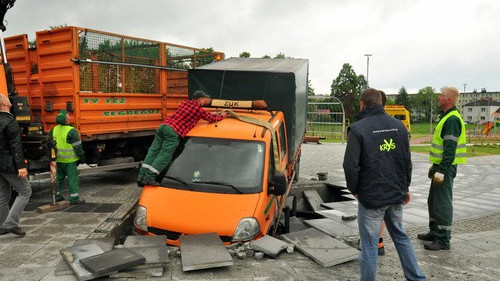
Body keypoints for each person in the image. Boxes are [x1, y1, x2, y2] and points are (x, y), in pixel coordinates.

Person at [343, 88, 426, 281]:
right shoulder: (399, 126)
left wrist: (355, 190)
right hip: (395, 194)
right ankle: (417, 278)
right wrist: (405, 188)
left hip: (371, 198)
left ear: (362, 105)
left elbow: (350, 166)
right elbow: (406, 160)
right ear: (382, 103)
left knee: (370, 246)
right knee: (401, 236)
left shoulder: (357, 128)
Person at [137, 90, 229, 186]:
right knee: (165, 155)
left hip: (163, 127)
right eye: (206, 99)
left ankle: (141, 176)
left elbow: (201, 113)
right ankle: (149, 177)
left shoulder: (185, 103)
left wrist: (215, 112)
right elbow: (212, 119)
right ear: (201, 99)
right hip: (173, 132)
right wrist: (222, 116)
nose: (207, 100)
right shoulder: (198, 110)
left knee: (153, 151)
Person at [417, 87, 466, 250]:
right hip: (440, 166)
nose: (439, 98)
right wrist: (435, 166)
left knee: (442, 203)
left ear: (449, 100)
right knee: (433, 201)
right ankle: (435, 232)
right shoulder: (447, 117)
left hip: (446, 168)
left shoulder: (452, 119)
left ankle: (443, 240)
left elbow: (450, 150)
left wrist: (442, 170)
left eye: (442, 96)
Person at [0, 94, 32, 236]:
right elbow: (15, 145)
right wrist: (21, 166)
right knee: (25, 191)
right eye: (6, 98)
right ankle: (11, 223)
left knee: (3, 195)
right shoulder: (10, 121)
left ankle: (2, 226)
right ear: (3, 103)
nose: (8, 99)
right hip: (9, 164)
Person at [48, 109, 85, 205]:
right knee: (72, 179)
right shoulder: (71, 131)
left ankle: (57, 195)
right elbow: (78, 146)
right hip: (70, 161)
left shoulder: (54, 130)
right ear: (66, 120)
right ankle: (74, 198)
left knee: (59, 178)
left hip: (59, 159)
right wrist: (82, 157)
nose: (69, 116)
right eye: (68, 116)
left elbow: (49, 142)